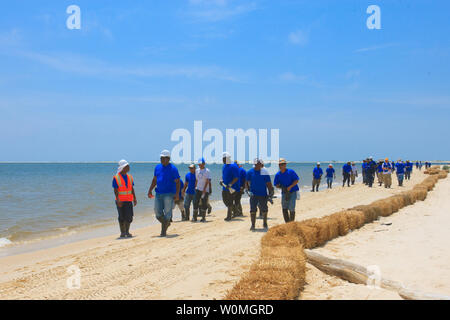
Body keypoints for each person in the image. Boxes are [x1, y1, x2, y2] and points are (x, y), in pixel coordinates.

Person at [147, 150, 180, 237]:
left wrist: (177, 194)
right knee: (157, 212)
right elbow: (154, 180)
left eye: (164, 158)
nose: (162, 159)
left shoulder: (173, 169)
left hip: (169, 194)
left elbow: (177, 182)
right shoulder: (157, 167)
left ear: (168, 159)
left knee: (168, 213)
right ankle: (166, 223)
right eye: (161, 158)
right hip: (158, 193)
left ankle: (163, 231)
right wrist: (150, 189)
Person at [246, 158, 274, 231]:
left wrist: (271, 191)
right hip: (253, 195)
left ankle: (265, 222)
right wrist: (247, 190)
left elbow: (268, 183)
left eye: (260, 164)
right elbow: (246, 182)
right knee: (252, 210)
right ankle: (253, 225)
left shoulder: (265, 172)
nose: (259, 165)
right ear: (255, 164)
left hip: (263, 194)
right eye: (257, 164)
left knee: (264, 209)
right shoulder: (250, 172)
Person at [112, 160, 137, 238]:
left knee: (129, 217)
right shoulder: (116, 178)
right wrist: (118, 199)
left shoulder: (130, 177)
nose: (129, 167)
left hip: (129, 200)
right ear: (122, 168)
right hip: (120, 201)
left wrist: (134, 198)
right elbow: (115, 190)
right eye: (127, 166)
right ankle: (123, 232)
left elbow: (132, 188)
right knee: (121, 217)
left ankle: (127, 231)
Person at [274, 158, 300, 223]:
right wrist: (281, 187)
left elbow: (296, 180)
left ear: (285, 165)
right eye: (280, 164)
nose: (281, 166)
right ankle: (287, 223)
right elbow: (276, 184)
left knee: (291, 207)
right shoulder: (278, 174)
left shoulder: (291, 172)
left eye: (283, 164)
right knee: (284, 207)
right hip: (284, 193)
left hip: (292, 191)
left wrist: (290, 186)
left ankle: (291, 223)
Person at [221, 152, 240, 221]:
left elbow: (236, 177)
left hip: (232, 188)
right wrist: (221, 180)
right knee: (224, 200)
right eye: (222, 158)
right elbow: (223, 175)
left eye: (224, 159)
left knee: (229, 201)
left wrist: (230, 184)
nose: (222, 160)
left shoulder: (234, 166)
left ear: (228, 158)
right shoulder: (224, 166)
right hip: (225, 187)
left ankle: (229, 216)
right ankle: (235, 210)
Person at [194, 158, 211, 222]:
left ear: (204, 164)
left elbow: (207, 181)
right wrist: (195, 187)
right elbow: (196, 180)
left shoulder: (207, 171)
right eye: (199, 164)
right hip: (198, 189)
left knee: (204, 203)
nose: (200, 165)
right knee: (195, 202)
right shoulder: (197, 170)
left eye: (201, 164)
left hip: (205, 190)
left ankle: (203, 218)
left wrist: (204, 189)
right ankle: (194, 217)